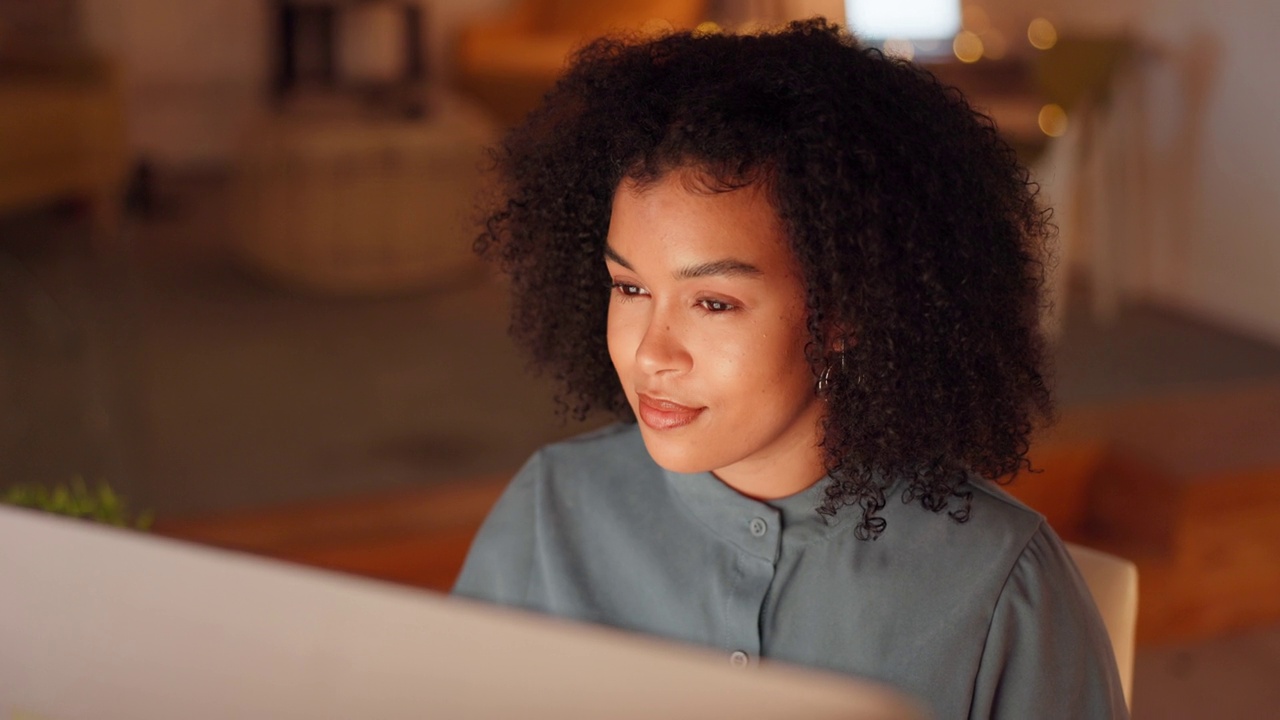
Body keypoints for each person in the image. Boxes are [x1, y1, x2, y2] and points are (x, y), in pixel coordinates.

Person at [452, 19, 1128, 718]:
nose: (651, 351)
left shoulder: (998, 584)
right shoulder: (551, 510)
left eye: (712, 302)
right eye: (630, 288)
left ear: (848, 312)